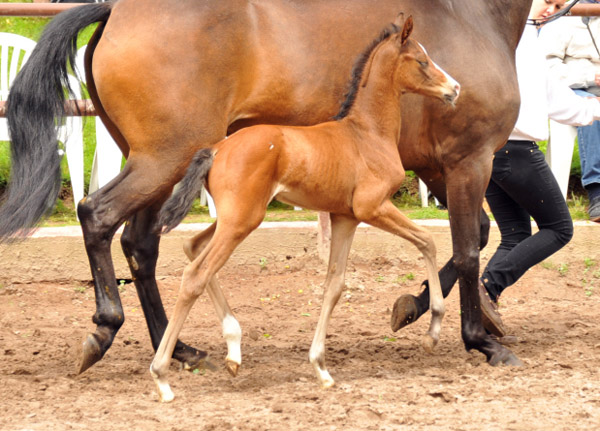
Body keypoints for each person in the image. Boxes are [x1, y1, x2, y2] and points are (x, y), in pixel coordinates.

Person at [478, 0, 600, 338]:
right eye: (549, 2)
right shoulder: (519, 39)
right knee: (559, 228)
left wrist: (592, 109)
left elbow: (555, 100)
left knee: (516, 235)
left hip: (491, 151)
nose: (553, 10)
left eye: (558, 5)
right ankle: (486, 289)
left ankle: (480, 311)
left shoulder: (520, 36)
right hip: (516, 149)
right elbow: (544, 100)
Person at [540, 0, 600, 223]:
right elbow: (548, 69)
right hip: (573, 88)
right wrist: (589, 77)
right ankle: (596, 191)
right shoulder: (561, 18)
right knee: (593, 112)